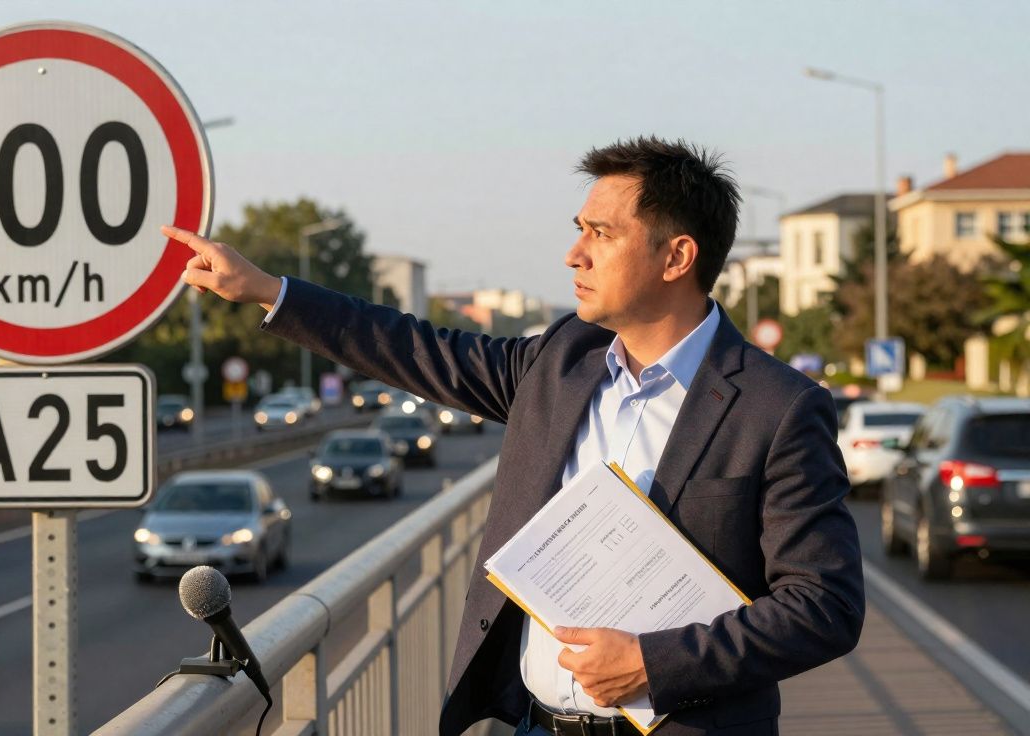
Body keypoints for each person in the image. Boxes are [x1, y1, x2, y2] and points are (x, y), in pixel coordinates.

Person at [163, 136, 864, 736]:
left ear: (677, 256)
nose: (573, 255)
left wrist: (655, 663)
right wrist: (267, 291)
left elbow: (824, 605)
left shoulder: (779, 407)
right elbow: (414, 348)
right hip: (534, 722)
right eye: (579, 229)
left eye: (601, 233)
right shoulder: (561, 359)